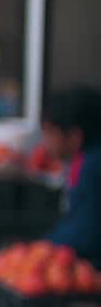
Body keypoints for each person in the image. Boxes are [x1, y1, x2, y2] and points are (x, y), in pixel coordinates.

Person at [43, 87, 101, 265]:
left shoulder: (91, 167)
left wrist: (45, 246)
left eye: (49, 133)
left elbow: (86, 231)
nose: (45, 141)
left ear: (75, 137)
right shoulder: (85, 161)